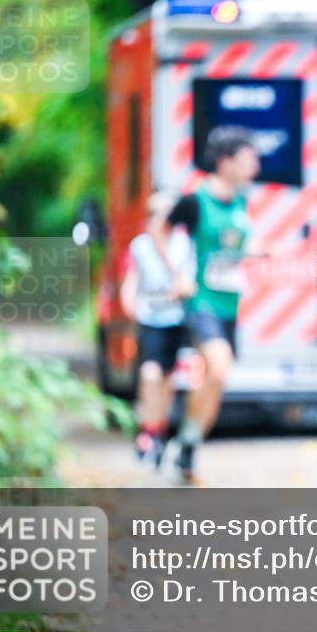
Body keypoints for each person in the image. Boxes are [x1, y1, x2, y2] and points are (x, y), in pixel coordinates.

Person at [148, 126, 260, 485]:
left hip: (229, 304)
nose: (253, 167)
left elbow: (235, 243)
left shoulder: (241, 200)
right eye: (247, 161)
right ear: (225, 162)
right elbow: (157, 230)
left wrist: (255, 250)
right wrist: (175, 276)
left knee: (216, 381)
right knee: (219, 365)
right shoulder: (195, 200)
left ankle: (187, 445)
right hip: (201, 301)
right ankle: (177, 438)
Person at [121, 191, 195, 467]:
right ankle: (147, 429)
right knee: (150, 374)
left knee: (168, 380)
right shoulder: (140, 245)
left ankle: (158, 431)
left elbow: (187, 279)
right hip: (149, 317)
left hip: (175, 319)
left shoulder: (182, 244)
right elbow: (132, 278)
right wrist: (129, 300)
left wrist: (181, 288)